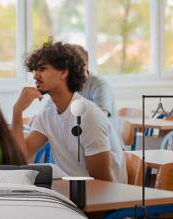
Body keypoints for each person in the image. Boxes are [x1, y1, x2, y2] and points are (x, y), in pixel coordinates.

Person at [12, 41, 127, 182]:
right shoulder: (47, 116)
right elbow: (20, 158)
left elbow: (103, 184)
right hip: (73, 193)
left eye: (42, 69)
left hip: (103, 198)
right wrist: (17, 111)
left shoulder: (87, 115)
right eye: (35, 70)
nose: (35, 76)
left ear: (64, 72)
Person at [72, 45, 118, 131]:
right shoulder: (66, 85)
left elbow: (100, 121)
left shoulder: (100, 85)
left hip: (103, 140)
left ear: (85, 66)